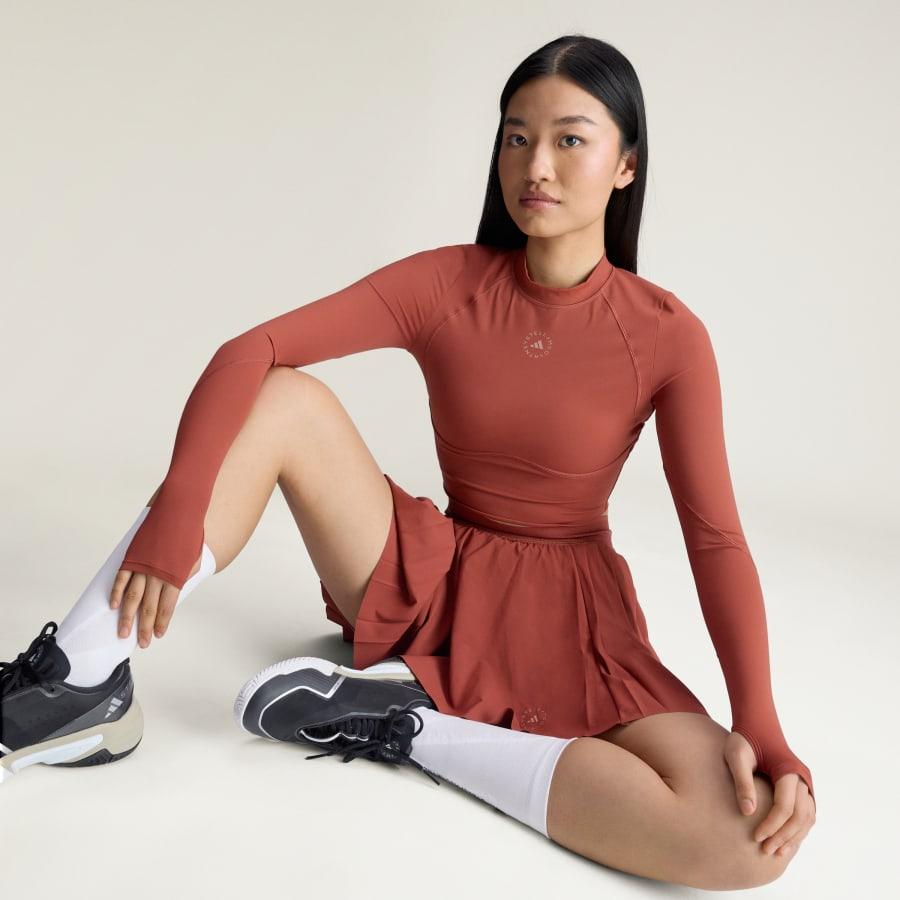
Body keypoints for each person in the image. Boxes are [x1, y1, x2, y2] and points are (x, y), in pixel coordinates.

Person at [0, 34, 815, 890]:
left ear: (626, 166)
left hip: (574, 619)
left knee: (743, 837)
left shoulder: (667, 334)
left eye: (570, 139)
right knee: (283, 397)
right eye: (516, 137)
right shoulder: (450, 283)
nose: (536, 164)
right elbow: (253, 349)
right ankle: (77, 679)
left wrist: (758, 718)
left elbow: (715, 538)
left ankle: (405, 727)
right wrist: (180, 503)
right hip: (430, 579)